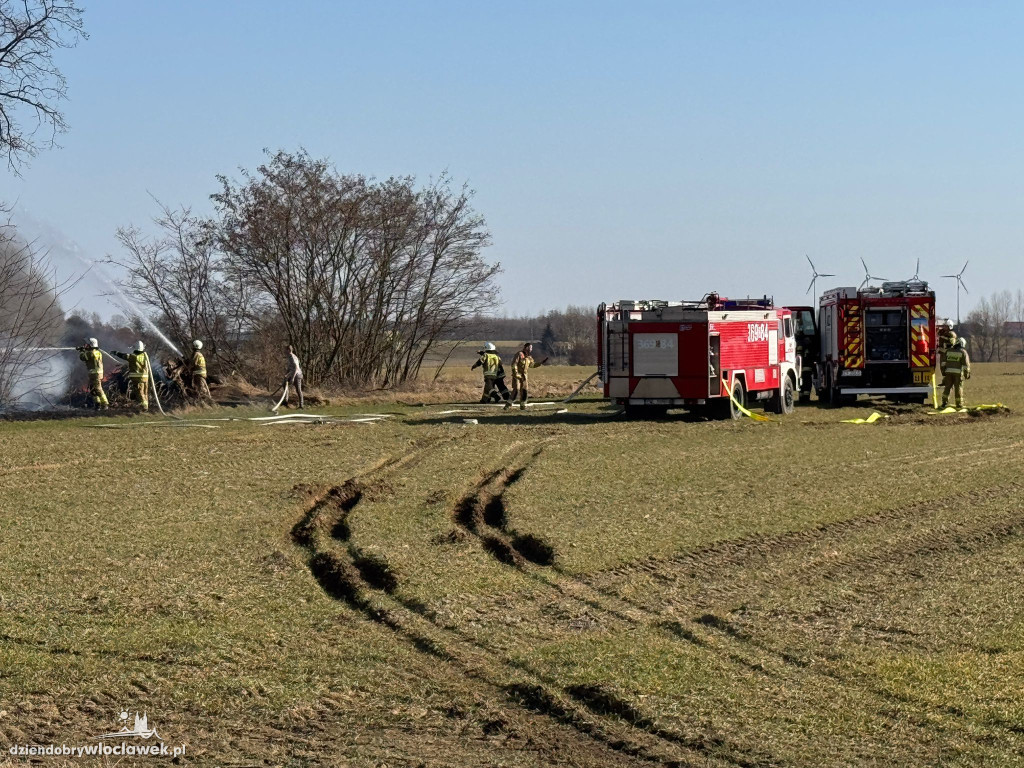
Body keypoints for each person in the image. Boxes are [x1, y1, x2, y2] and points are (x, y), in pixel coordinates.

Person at [505, 342, 549, 410]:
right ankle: (508, 405)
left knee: (524, 390)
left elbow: (532, 365)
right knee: (516, 390)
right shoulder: (519, 354)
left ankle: (523, 405)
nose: (531, 349)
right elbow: (514, 364)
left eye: (531, 348)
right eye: (530, 348)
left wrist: (541, 363)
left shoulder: (529, 357)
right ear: (526, 348)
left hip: (524, 376)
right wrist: (515, 373)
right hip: (517, 375)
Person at [110, 341, 149, 411]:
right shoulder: (144, 355)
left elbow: (124, 356)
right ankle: (145, 404)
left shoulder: (133, 356)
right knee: (144, 392)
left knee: (139, 392)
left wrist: (116, 353)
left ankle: (144, 406)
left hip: (137, 378)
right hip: (145, 377)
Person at [76, 337, 109, 409]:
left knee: (98, 388)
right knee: (93, 389)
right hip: (95, 373)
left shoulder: (91, 353)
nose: (85, 345)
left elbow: (82, 357)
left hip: (95, 373)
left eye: (86, 344)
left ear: (91, 345)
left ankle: (105, 403)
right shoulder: (97, 352)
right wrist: (84, 350)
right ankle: (98, 404)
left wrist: (81, 351)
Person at [940, 336, 971, 409]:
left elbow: (943, 363)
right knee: (958, 388)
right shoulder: (963, 352)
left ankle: (944, 403)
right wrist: (967, 374)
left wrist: (943, 372)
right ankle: (959, 404)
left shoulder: (948, 351)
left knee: (947, 387)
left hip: (948, 373)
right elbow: (966, 365)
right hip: (958, 374)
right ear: (963, 344)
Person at [190, 339, 214, 404]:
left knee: (201, 388)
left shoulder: (196, 354)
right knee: (202, 387)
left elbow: (192, 363)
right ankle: (206, 400)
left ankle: (204, 401)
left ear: (195, 346)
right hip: (202, 373)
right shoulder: (200, 354)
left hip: (199, 374)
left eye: (192, 345)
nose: (191, 346)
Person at [282, 344, 304, 409]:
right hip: (292, 374)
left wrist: (293, 378)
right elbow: (289, 368)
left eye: (286, 350)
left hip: (297, 375)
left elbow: (296, 368)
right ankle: (285, 401)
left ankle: (301, 406)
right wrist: (286, 375)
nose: (284, 351)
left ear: (289, 350)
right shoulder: (289, 357)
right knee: (284, 384)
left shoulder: (293, 357)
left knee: (298, 390)